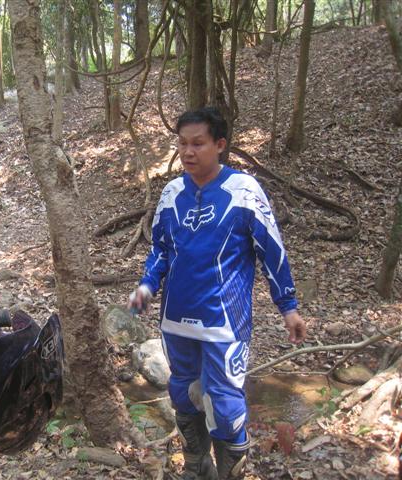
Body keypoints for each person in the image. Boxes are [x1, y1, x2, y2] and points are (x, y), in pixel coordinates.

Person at [128, 107, 306, 479]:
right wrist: (147, 284)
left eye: (198, 143)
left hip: (225, 322)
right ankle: (196, 466)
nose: (188, 152)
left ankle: (230, 473)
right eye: (182, 143)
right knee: (182, 394)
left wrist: (287, 306)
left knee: (224, 406)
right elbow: (161, 249)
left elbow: (271, 249)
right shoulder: (172, 193)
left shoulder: (243, 191)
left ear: (220, 144)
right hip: (176, 319)